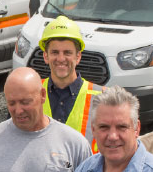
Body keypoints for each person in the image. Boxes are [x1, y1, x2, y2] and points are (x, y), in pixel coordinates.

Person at [38, 15, 104, 151]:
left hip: (86, 171)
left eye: (67, 52)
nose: (61, 58)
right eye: (55, 52)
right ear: (46, 56)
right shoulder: (32, 92)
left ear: (78, 57)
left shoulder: (102, 97)